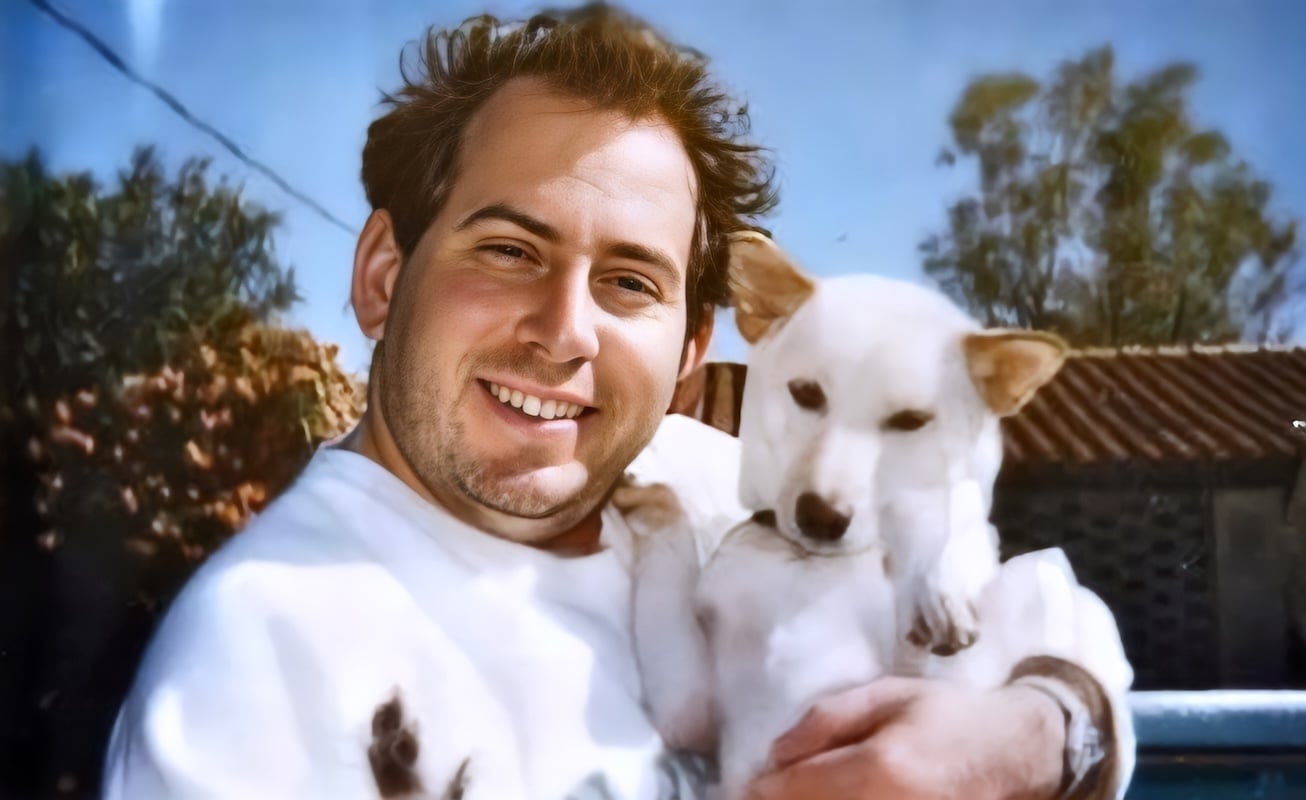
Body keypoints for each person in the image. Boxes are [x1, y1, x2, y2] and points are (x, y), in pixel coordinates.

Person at [103, 5, 1134, 798]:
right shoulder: (262, 652)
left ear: (691, 348)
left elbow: (1062, 617)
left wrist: (1033, 735)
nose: (564, 331)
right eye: (510, 250)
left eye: (630, 281)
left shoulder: (708, 487)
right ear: (383, 273)